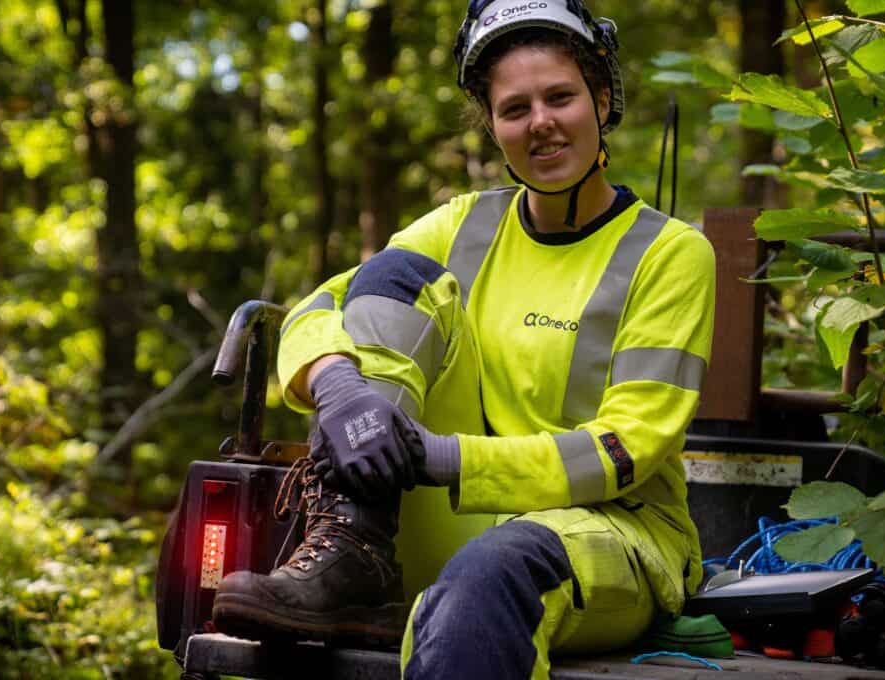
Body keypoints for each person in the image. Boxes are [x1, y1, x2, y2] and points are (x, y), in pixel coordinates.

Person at [212, 1, 716, 677]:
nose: (541, 123)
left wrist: (437, 455)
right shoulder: (462, 227)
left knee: (490, 577)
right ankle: (355, 549)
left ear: (602, 98)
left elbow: (629, 449)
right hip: (456, 526)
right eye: (515, 109)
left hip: (612, 534)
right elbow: (312, 310)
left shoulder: (671, 253)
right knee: (394, 273)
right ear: (492, 125)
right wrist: (338, 387)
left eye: (561, 97)